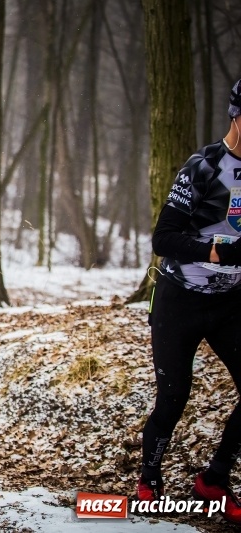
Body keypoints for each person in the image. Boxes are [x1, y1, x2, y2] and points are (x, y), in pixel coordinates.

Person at [136, 78, 241, 524]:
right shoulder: (204, 167)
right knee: (175, 395)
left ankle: (214, 479)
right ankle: (149, 476)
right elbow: (164, 238)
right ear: (237, 116)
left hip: (230, 302)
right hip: (179, 299)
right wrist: (216, 251)